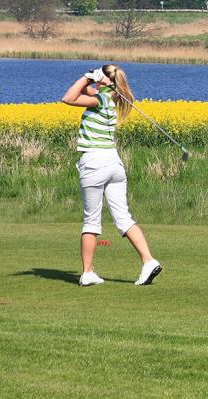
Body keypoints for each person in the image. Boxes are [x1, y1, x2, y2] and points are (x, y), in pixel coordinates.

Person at [62, 64, 163, 285]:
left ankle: (87, 272)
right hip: (114, 164)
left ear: (104, 79)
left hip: (95, 164)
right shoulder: (112, 97)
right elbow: (87, 91)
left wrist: (86, 76)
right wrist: (96, 82)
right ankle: (148, 260)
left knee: (91, 221)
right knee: (123, 217)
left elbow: (68, 98)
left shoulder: (101, 100)